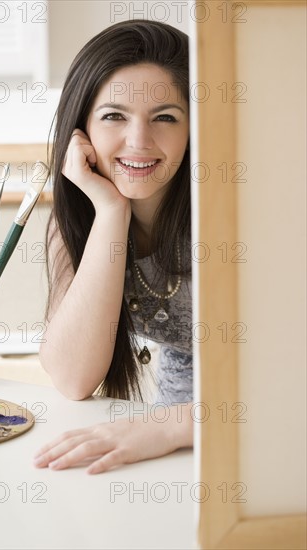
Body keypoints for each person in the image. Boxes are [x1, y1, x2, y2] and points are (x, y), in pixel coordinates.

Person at [34, 19, 193, 474]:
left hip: (242, 436)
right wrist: (110, 213)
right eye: (114, 116)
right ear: (81, 128)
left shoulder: (235, 218)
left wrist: (170, 427)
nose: (139, 141)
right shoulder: (81, 221)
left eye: (165, 117)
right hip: (166, 443)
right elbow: (72, 376)